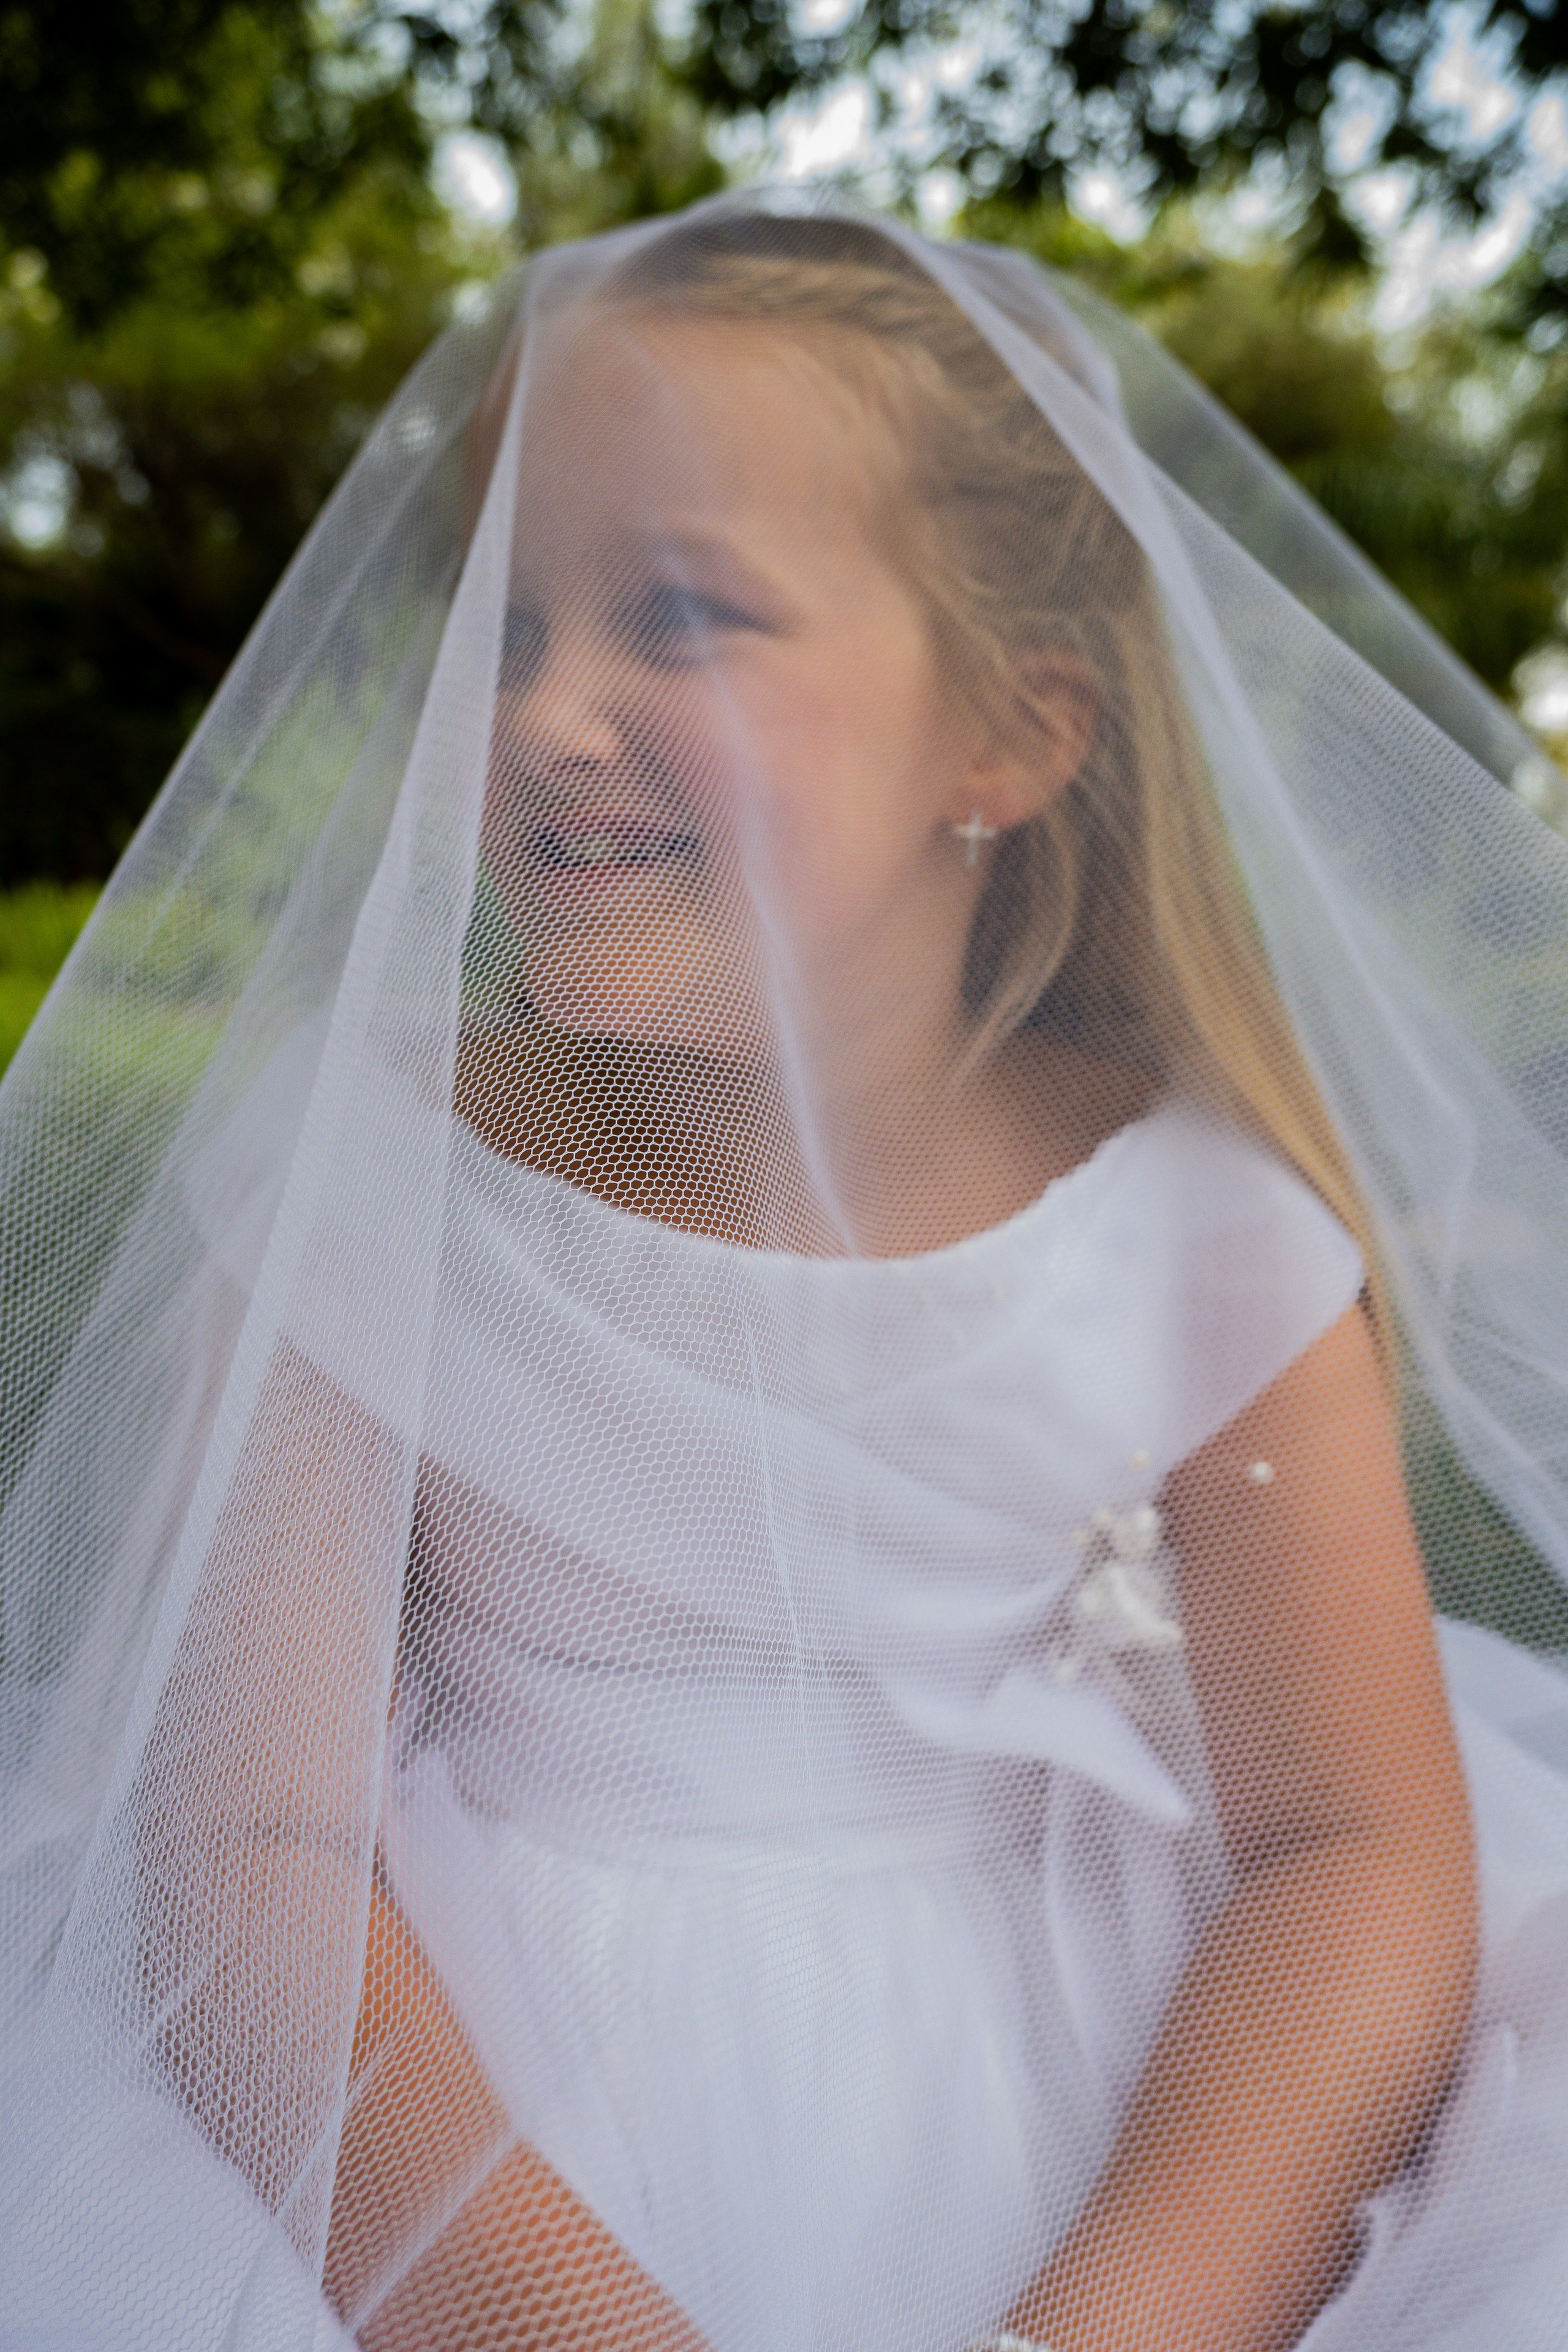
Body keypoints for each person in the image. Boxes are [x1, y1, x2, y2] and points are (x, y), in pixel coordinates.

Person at [5, 198, 1568, 2352]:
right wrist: (555, 2326)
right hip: (429, 2092)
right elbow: (252, 1846)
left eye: (674, 612)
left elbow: (1356, 1864)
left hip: (1075, 2085)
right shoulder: (360, 1180)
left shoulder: (1197, 1233)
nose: (543, 709)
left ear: (1008, 739)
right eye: (511, 622)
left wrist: (1092, 2337)